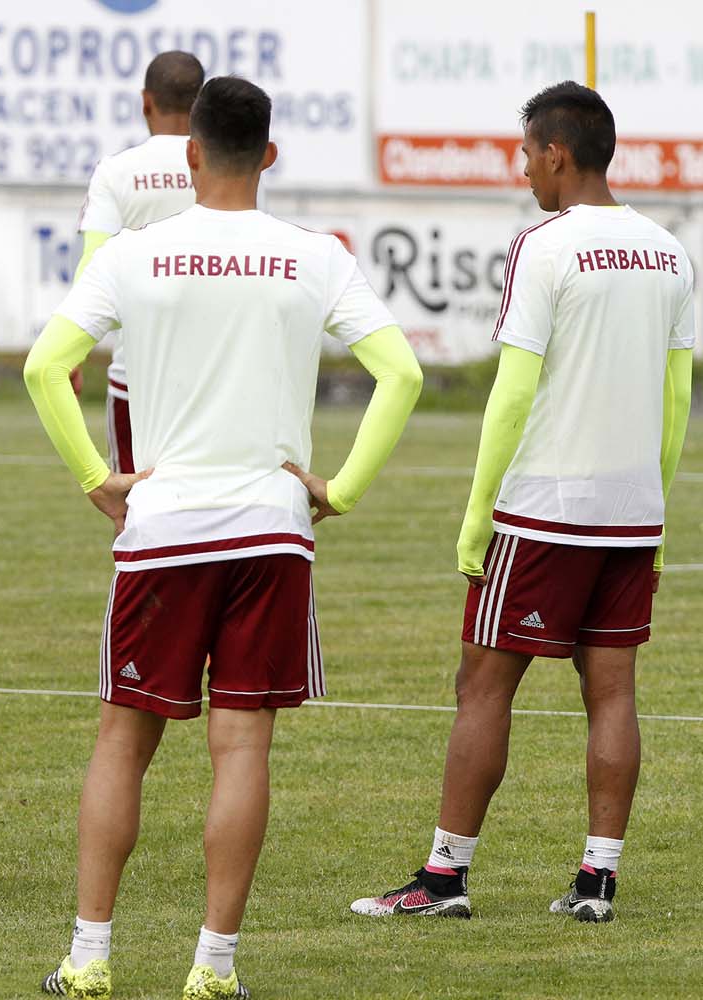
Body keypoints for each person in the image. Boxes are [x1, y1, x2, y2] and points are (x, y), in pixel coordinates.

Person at [25, 76, 422, 999]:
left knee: (123, 740)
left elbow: (48, 367)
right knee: (242, 748)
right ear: (270, 156)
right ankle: (213, 968)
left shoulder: (136, 253)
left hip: (164, 528)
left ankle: (88, 961)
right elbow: (398, 374)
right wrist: (341, 489)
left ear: (190, 154)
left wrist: (96, 478)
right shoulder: (313, 253)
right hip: (271, 532)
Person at [351, 82, 694, 925]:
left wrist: (478, 514)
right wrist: (655, 502)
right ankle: (597, 881)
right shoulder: (671, 250)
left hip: (545, 510)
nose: (524, 171)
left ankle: (443, 878)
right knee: (612, 690)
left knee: (482, 683)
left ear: (558, 153)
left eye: (527, 154)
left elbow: (512, 395)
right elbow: (678, 392)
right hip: (632, 510)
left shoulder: (544, 246)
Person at [71, 50, 204, 473]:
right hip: (217, 373)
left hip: (138, 376)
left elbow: (94, 263)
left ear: (146, 101)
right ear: (201, 103)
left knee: (131, 507)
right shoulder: (231, 166)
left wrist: (72, 350)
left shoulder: (117, 171)